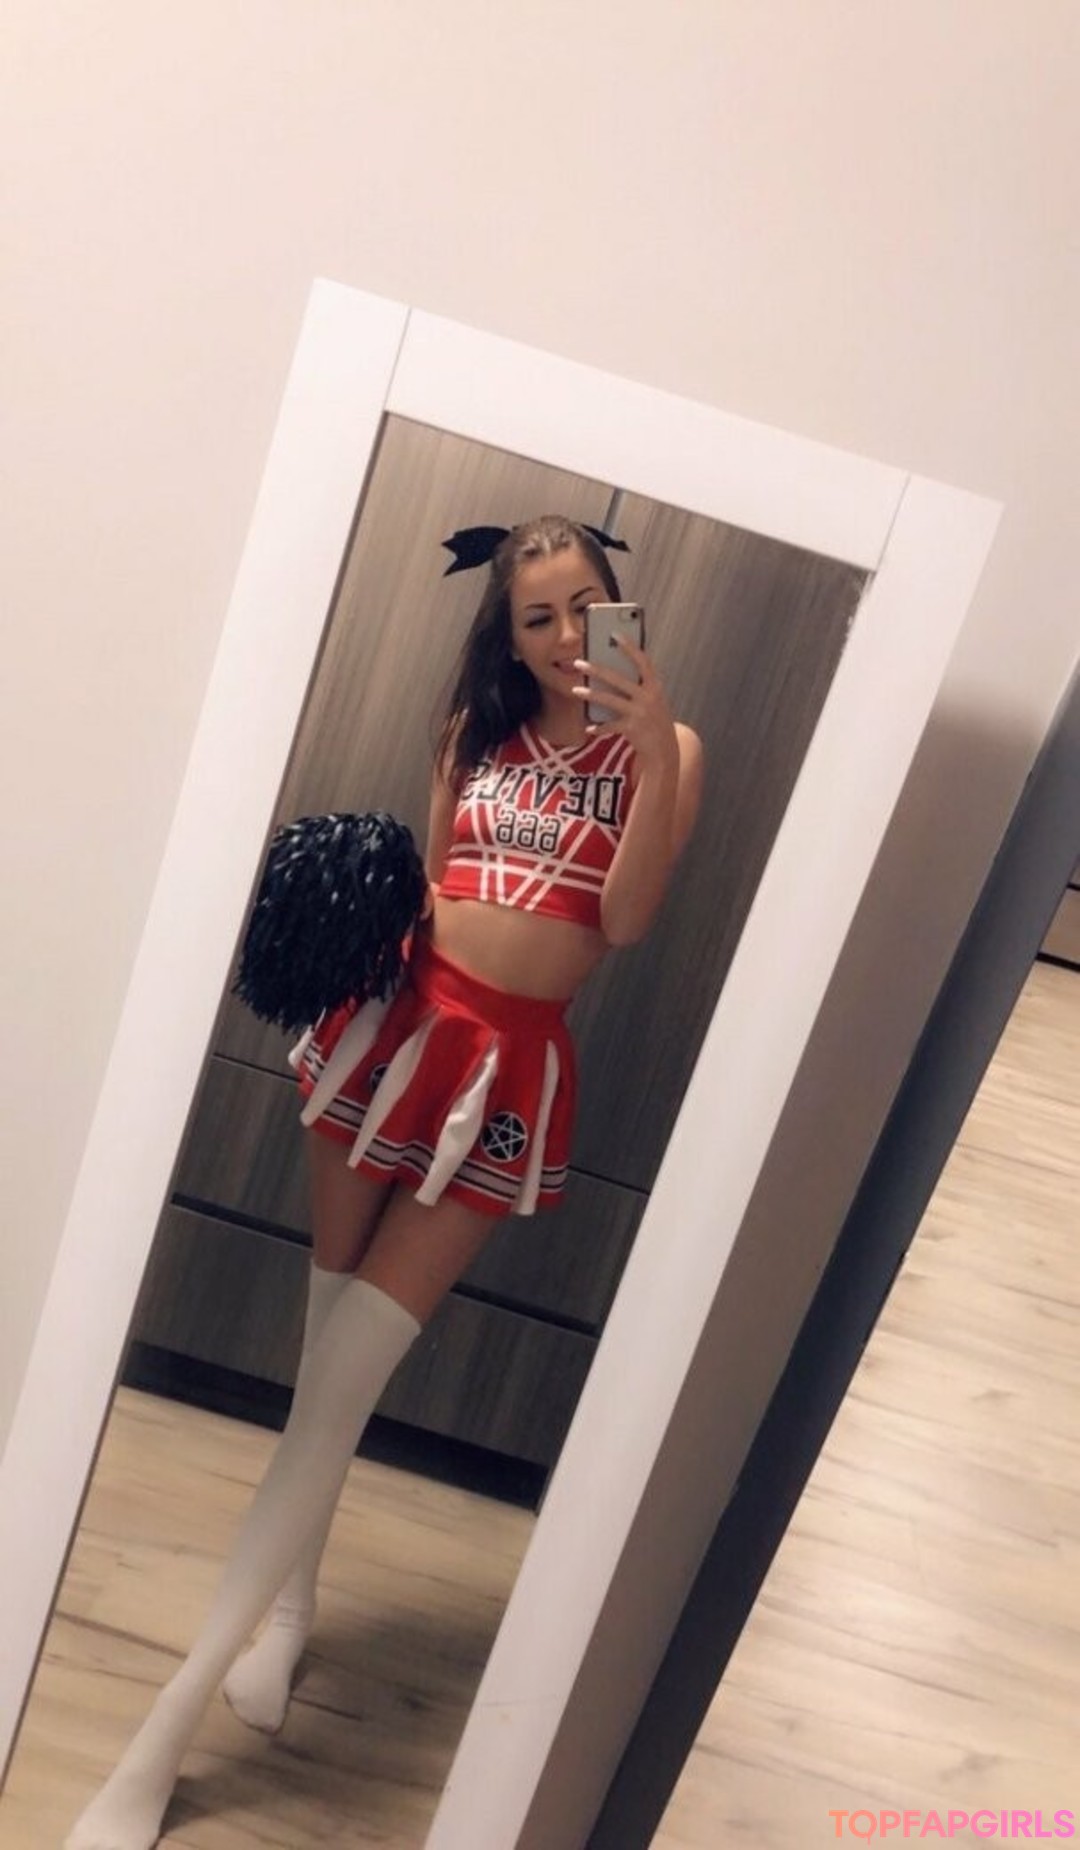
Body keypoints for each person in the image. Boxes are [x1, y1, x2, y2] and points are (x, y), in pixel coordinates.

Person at [66, 514, 703, 1850]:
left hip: (509, 1077)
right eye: (538, 615)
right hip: (395, 1032)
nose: (566, 634)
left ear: (617, 605)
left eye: (584, 605)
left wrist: (650, 753)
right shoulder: (472, 731)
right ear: (507, 633)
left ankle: (162, 1730)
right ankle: (288, 1612)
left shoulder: (670, 747)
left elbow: (629, 920)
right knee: (325, 1351)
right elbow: (438, 884)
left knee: (347, 1374)